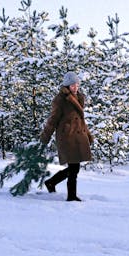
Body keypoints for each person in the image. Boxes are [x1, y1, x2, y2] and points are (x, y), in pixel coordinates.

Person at [40, 71, 93, 201]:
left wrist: (89, 135)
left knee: (74, 168)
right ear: (67, 85)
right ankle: (71, 196)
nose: (76, 87)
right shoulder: (60, 100)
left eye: (77, 85)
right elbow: (52, 120)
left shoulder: (79, 97)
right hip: (67, 138)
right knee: (74, 168)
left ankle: (51, 182)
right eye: (73, 85)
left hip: (78, 137)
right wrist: (45, 137)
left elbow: (81, 120)